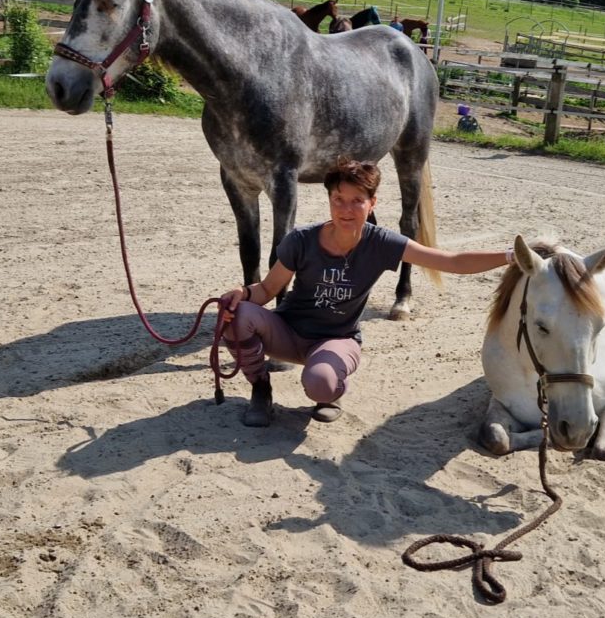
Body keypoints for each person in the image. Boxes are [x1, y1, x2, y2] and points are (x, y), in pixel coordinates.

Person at [220, 157, 515, 428]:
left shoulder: (382, 243)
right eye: (338, 199)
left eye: (357, 201)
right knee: (237, 317)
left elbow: (450, 261)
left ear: (372, 203)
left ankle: (331, 391)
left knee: (319, 382)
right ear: (329, 200)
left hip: (336, 339)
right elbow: (269, 289)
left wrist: (510, 256)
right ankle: (261, 389)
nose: (346, 210)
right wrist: (241, 293)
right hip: (288, 331)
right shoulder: (301, 240)